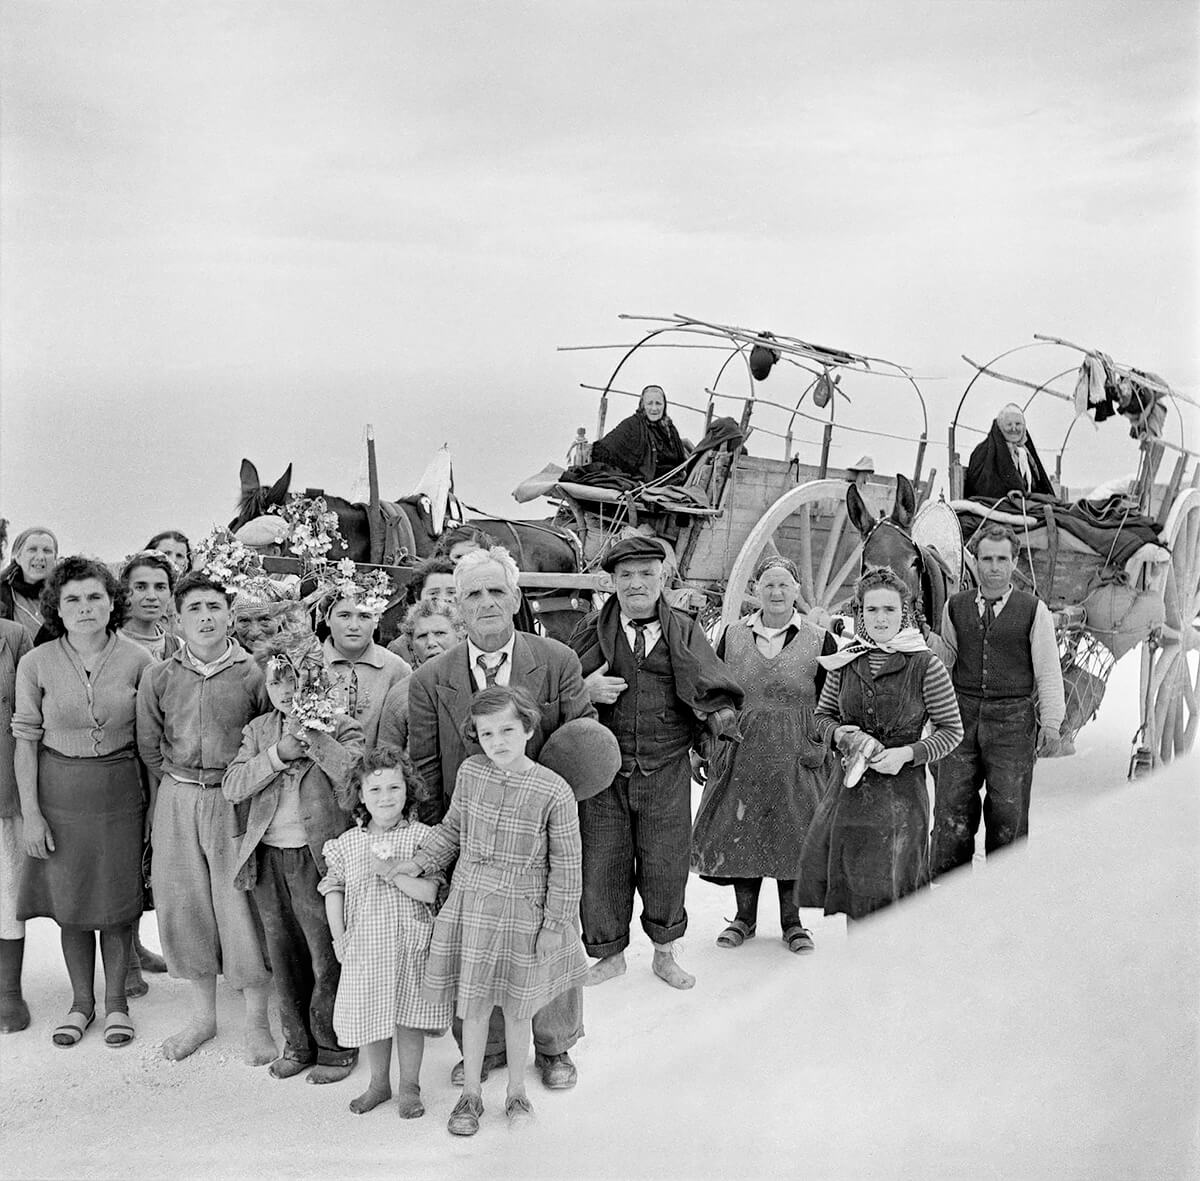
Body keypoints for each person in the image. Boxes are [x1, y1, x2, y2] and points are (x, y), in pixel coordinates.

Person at [407, 545, 593, 1091]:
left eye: (496, 591)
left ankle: (555, 1045)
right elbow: (425, 767)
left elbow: (582, 750)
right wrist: (445, 853)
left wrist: (557, 833)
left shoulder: (556, 661)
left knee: (551, 937)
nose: (486, 602)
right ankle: (484, 1049)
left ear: (515, 597)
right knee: (478, 945)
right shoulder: (429, 679)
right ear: (456, 608)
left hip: (539, 838)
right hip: (475, 844)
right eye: (472, 594)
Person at [393, 686, 589, 1136]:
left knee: (520, 1009)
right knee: (475, 1007)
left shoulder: (553, 790)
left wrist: (555, 924)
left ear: (527, 728)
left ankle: (517, 1091)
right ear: (475, 737)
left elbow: (567, 865)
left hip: (524, 909)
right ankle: (471, 1096)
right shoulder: (471, 773)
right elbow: (452, 830)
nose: (497, 741)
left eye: (507, 730)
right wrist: (420, 862)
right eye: (486, 733)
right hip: (472, 905)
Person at [569, 536, 743, 990]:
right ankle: (609, 956)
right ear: (611, 582)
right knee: (602, 862)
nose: (636, 583)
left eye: (646, 573)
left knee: (665, 862)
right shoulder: (590, 630)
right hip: (602, 770)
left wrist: (718, 721)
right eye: (625, 575)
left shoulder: (683, 630)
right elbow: (559, 689)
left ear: (662, 577)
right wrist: (584, 692)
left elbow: (713, 684)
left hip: (665, 768)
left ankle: (665, 953)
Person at [136, 570, 276, 1064]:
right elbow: (149, 745)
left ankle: (257, 1020)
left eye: (214, 607)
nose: (205, 617)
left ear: (229, 614)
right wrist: (175, 793)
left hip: (232, 799)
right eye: (193, 608)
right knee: (184, 904)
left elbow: (265, 736)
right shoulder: (160, 675)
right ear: (177, 617)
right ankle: (203, 1017)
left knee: (239, 906)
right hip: (177, 797)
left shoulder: (254, 673)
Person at [13, 557, 152, 1048]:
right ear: (56, 607)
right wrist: (31, 813)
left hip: (120, 794)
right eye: (72, 598)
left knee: (115, 903)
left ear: (113, 602)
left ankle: (117, 1005)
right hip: (58, 795)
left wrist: (153, 814)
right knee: (71, 904)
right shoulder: (37, 662)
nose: (85, 607)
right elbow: (25, 740)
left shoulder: (139, 660)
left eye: (95, 596)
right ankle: (81, 1005)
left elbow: (152, 743)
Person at [223, 633, 363, 1085]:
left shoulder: (339, 725)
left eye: (298, 680)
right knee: (283, 955)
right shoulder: (259, 730)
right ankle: (298, 1043)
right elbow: (234, 784)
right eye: (277, 681)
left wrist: (317, 737)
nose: (287, 691)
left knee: (326, 955)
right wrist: (277, 754)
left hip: (319, 861)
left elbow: (357, 779)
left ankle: (335, 1046)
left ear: (317, 682)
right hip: (269, 859)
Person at [690, 555, 837, 954]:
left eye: (784, 585)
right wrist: (703, 748)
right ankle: (744, 919)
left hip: (798, 749)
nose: (776, 592)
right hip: (741, 745)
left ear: (797, 592)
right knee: (743, 828)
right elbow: (711, 692)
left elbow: (833, 698)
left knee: (796, 832)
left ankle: (793, 923)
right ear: (756, 590)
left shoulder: (819, 639)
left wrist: (825, 744)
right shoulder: (732, 635)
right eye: (769, 584)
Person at [798, 568, 963, 921]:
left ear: (904, 612)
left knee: (895, 899)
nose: (881, 618)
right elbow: (822, 717)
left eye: (889, 609)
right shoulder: (846, 662)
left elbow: (951, 731)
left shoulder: (925, 664)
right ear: (860, 614)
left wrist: (907, 754)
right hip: (851, 797)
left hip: (901, 801)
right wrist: (844, 736)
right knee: (856, 897)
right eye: (872, 610)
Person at [320, 745, 450, 1120]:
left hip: (411, 943)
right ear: (360, 795)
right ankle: (379, 1083)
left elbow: (430, 892)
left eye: (394, 788)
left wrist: (392, 869)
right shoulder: (347, 843)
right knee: (373, 1016)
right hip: (365, 945)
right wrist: (339, 938)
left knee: (409, 1017)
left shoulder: (423, 838)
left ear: (408, 790)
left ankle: (410, 1086)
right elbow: (333, 890)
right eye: (375, 790)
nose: (385, 797)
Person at [928, 525, 1065, 876]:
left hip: (1012, 722)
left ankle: (1005, 897)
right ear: (976, 561)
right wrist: (923, 636)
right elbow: (947, 657)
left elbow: (1048, 671)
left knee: (1009, 813)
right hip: (959, 718)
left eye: (1002, 559)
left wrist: (1050, 724)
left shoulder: (1034, 611)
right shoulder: (955, 607)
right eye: (986, 558)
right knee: (951, 810)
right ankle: (948, 896)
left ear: (1014, 561)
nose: (993, 567)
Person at [322, 589, 411, 748]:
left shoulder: (396, 668)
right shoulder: (308, 664)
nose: (354, 626)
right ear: (327, 619)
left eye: (364, 616)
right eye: (344, 616)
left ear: (376, 620)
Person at [0, 617, 33, 1033]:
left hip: (2, 782)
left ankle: (8, 990)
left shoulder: (13, 635)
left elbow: (28, 714)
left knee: (8, 890)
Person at [378, 601, 465, 750]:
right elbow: (387, 758)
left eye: (440, 633)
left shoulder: (478, 679)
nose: (431, 642)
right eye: (422, 636)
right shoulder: (400, 696)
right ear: (411, 646)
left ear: (460, 636)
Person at [589, 385, 690, 484]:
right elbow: (602, 450)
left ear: (664, 405)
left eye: (658, 403)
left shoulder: (669, 428)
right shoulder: (632, 424)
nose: (654, 408)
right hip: (650, 484)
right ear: (643, 405)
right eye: (649, 403)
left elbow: (680, 460)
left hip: (673, 480)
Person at [963, 404, 1055, 501]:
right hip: (1000, 505)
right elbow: (984, 487)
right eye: (1009, 424)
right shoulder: (984, 450)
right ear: (1000, 427)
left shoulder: (1025, 453)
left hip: (1025, 505)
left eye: (1018, 424)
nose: (1014, 428)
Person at [386, 556, 457, 662]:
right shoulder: (399, 649)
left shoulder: (475, 635)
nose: (443, 599)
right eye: (434, 593)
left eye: (451, 592)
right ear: (417, 597)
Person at [119, 552, 182, 662]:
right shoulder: (107, 644)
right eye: (141, 587)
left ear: (170, 594)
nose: (151, 596)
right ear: (125, 592)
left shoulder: (179, 648)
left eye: (160, 587)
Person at [0, 527, 59, 645]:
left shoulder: (65, 596)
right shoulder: (2, 594)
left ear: (55, 559)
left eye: (47, 551)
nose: (40, 557)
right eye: (32, 549)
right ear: (18, 557)